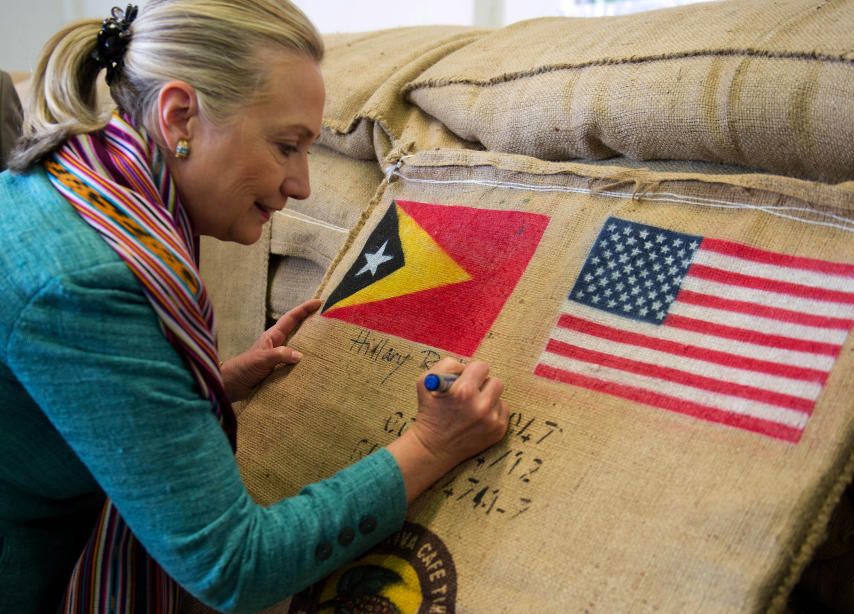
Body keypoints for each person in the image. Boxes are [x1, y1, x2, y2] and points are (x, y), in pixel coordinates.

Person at [0, 2, 509, 612]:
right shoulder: (88, 282)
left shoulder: (72, 190)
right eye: (287, 146)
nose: (302, 185)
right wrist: (432, 445)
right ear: (180, 115)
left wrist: (205, 384)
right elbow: (232, 567)